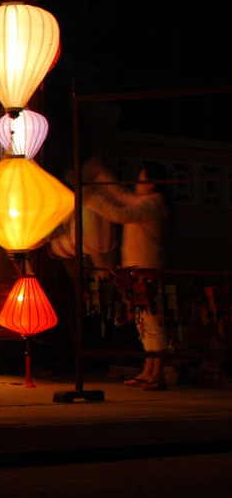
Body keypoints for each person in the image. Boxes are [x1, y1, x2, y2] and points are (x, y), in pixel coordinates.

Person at [85, 161, 171, 389]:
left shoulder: (155, 203)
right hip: (136, 269)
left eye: (142, 180)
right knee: (143, 322)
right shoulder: (148, 201)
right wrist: (101, 176)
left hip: (148, 269)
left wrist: (90, 199)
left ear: (152, 184)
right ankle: (148, 370)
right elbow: (124, 198)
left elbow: (120, 213)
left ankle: (157, 373)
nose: (138, 185)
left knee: (153, 320)